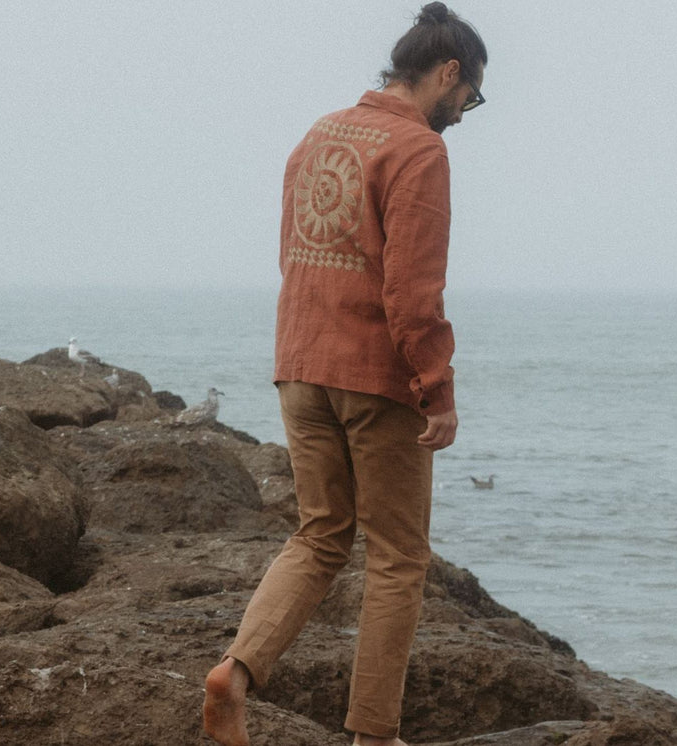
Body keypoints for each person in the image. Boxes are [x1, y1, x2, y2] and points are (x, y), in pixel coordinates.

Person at [202, 4, 487, 745]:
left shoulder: (318, 134)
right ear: (447, 73)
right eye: (471, 97)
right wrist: (438, 391)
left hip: (301, 362)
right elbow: (413, 292)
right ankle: (373, 734)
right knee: (397, 557)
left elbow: (291, 256)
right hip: (373, 375)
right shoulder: (419, 151)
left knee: (321, 534)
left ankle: (235, 672)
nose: (465, 113)